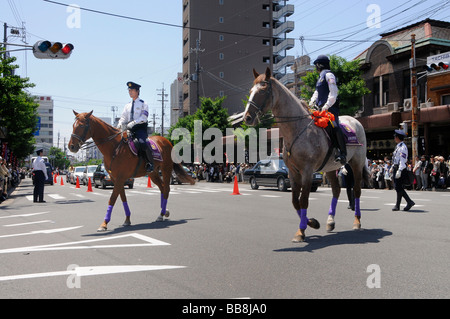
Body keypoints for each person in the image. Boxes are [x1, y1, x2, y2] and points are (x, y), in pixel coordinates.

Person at [309, 54, 347, 164]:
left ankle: (342, 153)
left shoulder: (329, 75)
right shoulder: (320, 78)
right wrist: (311, 103)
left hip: (330, 108)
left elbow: (333, 92)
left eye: (316, 65)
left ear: (319, 65)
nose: (316, 68)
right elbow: (317, 92)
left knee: (334, 125)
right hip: (319, 109)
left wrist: (326, 106)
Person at [117, 81, 153, 172]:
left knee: (142, 142)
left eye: (132, 90)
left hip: (139, 128)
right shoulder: (127, 105)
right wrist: (119, 125)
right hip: (128, 129)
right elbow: (123, 117)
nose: (130, 92)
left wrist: (133, 123)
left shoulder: (143, 104)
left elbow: (144, 118)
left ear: (137, 91)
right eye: (129, 90)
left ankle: (149, 163)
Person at [391, 130, 415, 211]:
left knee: (398, 187)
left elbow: (402, 160)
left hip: (400, 168)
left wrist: (400, 170)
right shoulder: (398, 146)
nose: (394, 138)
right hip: (396, 167)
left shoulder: (403, 147)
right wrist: (392, 167)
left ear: (397, 137)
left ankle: (409, 202)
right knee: (398, 187)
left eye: (395, 137)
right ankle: (399, 205)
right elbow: (395, 159)